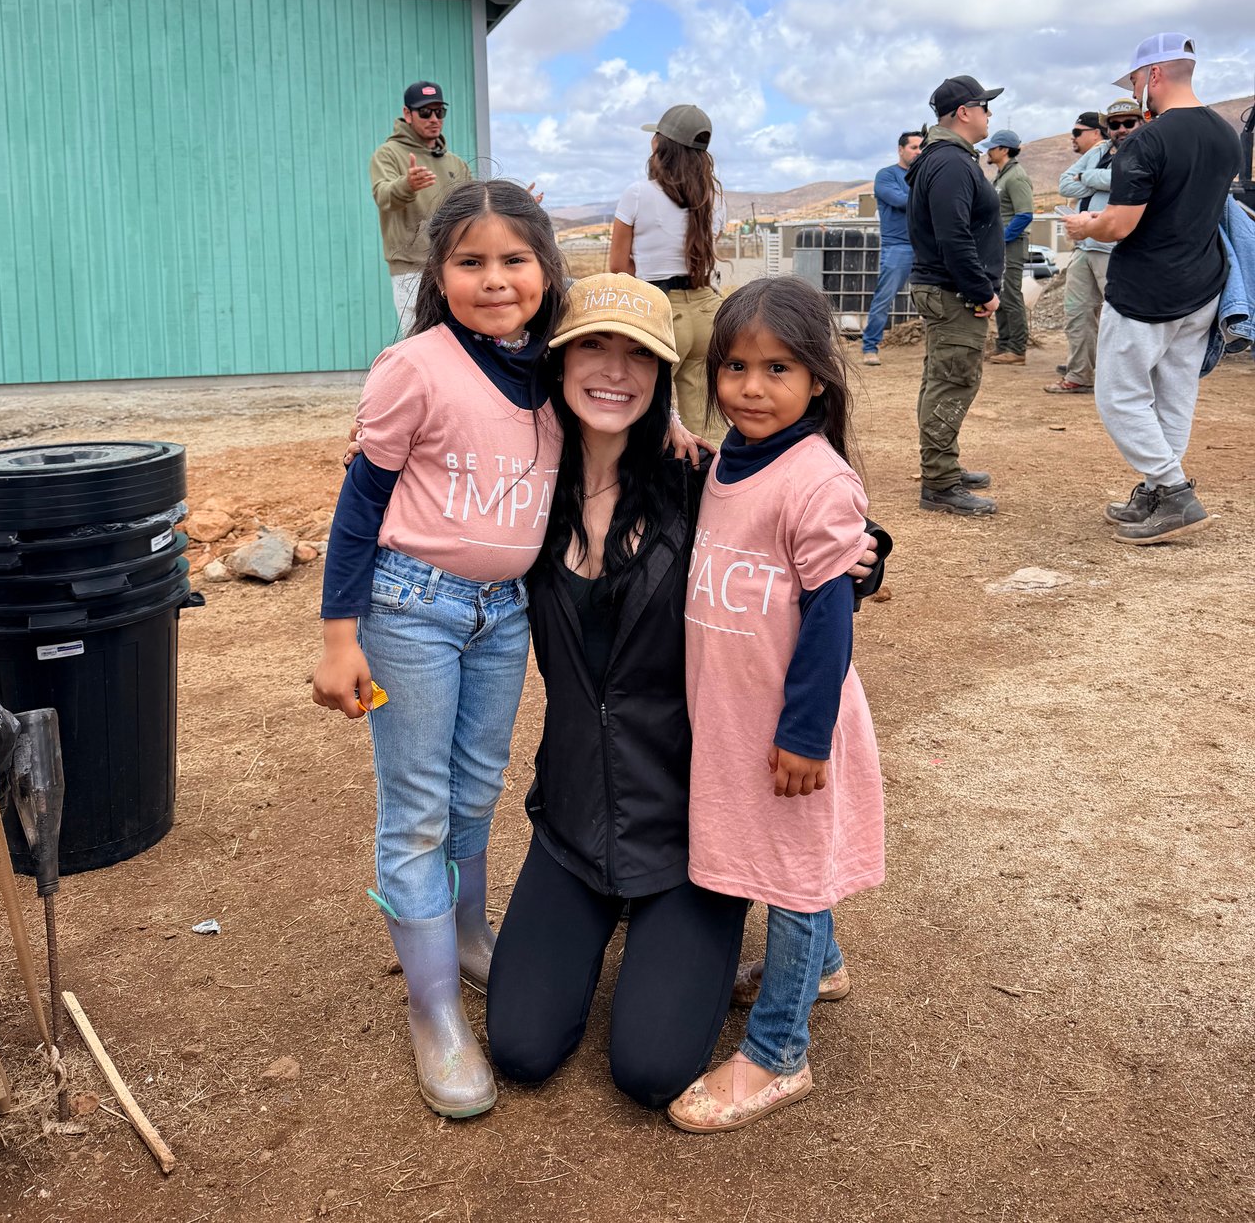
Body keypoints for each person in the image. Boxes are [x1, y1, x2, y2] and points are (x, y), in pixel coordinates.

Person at [486, 275, 889, 1114]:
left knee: (649, 1070)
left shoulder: (692, 482)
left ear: (666, 376)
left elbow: (809, 526)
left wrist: (867, 552)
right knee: (520, 1050)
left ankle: (782, 999)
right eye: (594, 346)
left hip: (688, 821)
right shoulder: (526, 485)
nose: (614, 370)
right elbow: (431, 497)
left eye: (640, 355)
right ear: (557, 361)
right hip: (573, 814)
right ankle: (808, 958)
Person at [313, 181, 567, 1119]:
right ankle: (434, 1015)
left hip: (505, 615)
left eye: (513, 260)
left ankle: (466, 938)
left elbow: (623, 417)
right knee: (417, 805)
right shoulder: (412, 367)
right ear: (439, 272)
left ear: (544, 268)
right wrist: (340, 636)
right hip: (408, 608)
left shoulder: (555, 365)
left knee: (476, 786)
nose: (494, 280)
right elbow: (358, 509)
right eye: (470, 262)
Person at [666, 278, 885, 1133]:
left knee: (793, 878)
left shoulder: (816, 480)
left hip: (793, 727)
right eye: (734, 366)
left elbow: (830, 616)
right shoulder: (728, 461)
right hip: (735, 714)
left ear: (818, 381)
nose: (751, 388)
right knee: (774, 856)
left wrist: (804, 734)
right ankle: (821, 966)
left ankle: (779, 1052)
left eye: (778, 368)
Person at [1063, 35, 1241, 544]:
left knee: (1119, 395)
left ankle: (1173, 490)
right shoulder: (1225, 135)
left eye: (1137, 80)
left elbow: (1120, 225)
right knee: (1174, 393)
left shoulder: (1148, 139)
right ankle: (1158, 493)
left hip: (1147, 287)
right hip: (1204, 284)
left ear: (1155, 75)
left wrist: (1085, 226)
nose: (1136, 91)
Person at [904, 77, 1004, 516]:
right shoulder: (951, 163)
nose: (989, 115)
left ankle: (944, 467)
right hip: (954, 291)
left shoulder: (945, 159)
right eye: (985, 106)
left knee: (942, 378)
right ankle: (940, 483)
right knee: (953, 380)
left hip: (945, 288)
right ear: (964, 111)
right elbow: (954, 235)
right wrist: (982, 290)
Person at [609, 104, 725, 442]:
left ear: (659, 145)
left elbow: (618, 268)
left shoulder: (637, 194)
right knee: (705, 422)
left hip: (659, 308)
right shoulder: (713, 199)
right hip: (705, 309)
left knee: (646, 415)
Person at [1048, 102, 1143, 393]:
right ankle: (1079, 375)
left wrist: (1087, 178)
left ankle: (1127, 383)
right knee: (1077, 313)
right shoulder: (1098, 152)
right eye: (1115, 125)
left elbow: (1127, 180)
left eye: (1129, 123)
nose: (1122, 129)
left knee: (1121, 317)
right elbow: (1065, 184)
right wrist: (1100, 183)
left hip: (1115, 248)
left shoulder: (1144, 150)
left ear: (1140, 123)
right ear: (1108, 128)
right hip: (1084, 247)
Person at [370, 82, 473, 332]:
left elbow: (473, 209)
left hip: (452, 266)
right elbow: (383, 195)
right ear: (408, 114)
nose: (434, 118)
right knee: (419, 339)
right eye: (425, 112)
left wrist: (509, 205)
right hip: (411, 269)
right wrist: (407, 184)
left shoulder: (455, 163)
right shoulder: (388, 155)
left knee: (460, 339)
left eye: (440, 112)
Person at [861, 131, 923, 365]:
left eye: (921, 148)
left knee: (934, 296)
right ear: (901, 149)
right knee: (884, 298)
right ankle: (870, 347)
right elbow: (902, 201)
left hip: (925, 246)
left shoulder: (923, 176)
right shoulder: (886, 175)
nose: (918, 152)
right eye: (913, 147)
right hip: (899, 246)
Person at [985, 131, 1034, 365]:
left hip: (1011, 245)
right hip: (1003, 244)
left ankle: (1016, 348)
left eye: (992, 147)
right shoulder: (1003, 175)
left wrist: (1002, 239)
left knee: (1011, 295)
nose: (988, 151)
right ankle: (1004, 345)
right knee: (1001, 294)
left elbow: (1024, 214)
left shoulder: (1016, 177)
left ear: (1004, 149)